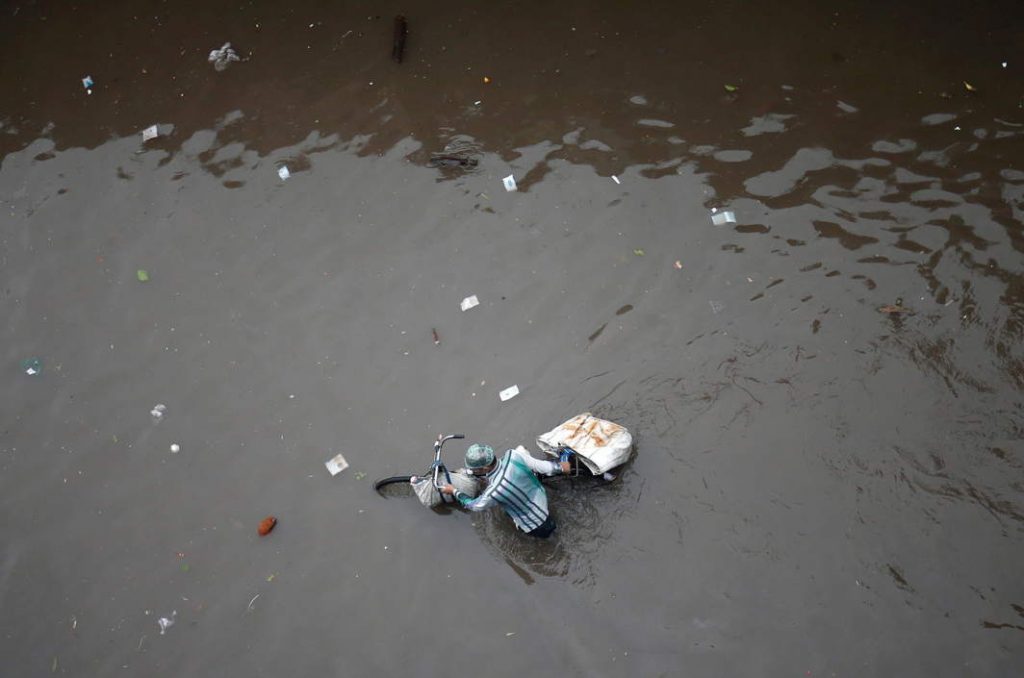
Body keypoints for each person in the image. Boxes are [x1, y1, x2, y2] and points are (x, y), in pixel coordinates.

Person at [440, 443, 571, 538]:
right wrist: (562, 467)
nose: (472, 471)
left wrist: (454, 491)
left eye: (474, 470)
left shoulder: (493, 492)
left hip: (535, 524)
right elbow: (545, 467)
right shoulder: (514, 455)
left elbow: (474, 505)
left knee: (551, 539)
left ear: (485, 469)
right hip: (542, 502)